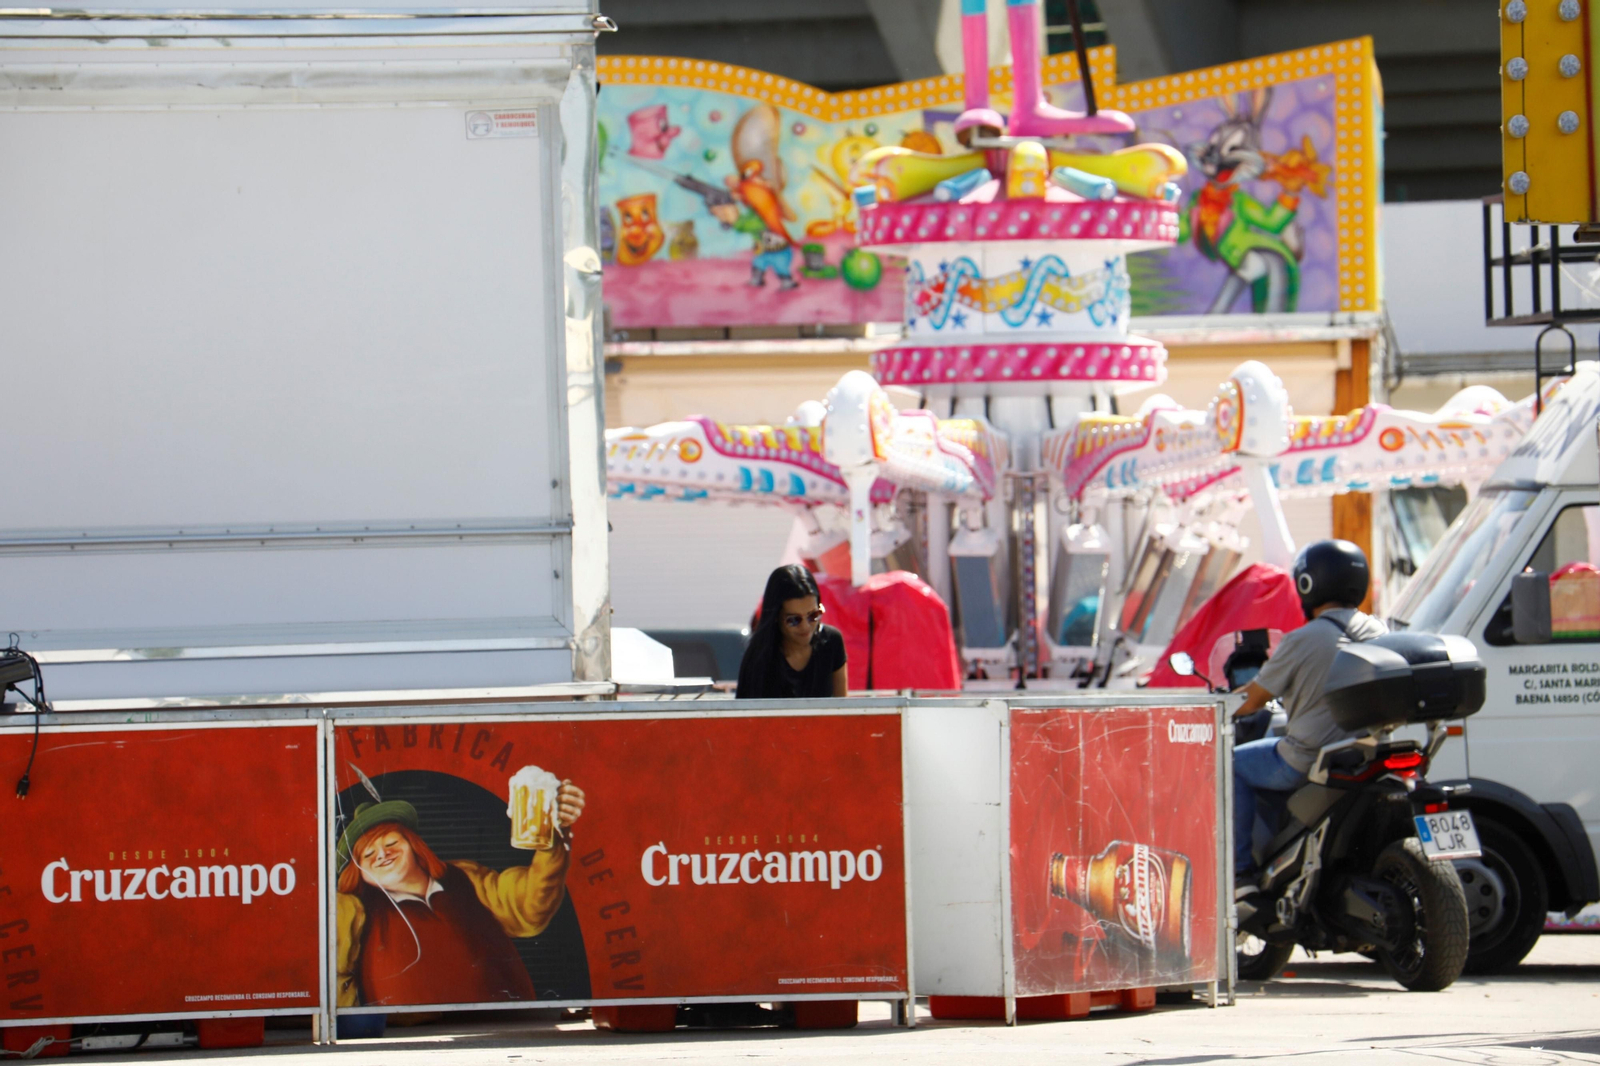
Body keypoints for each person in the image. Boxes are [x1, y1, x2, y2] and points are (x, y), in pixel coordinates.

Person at [334, 777, 585, 1006]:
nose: (382, 854)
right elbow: (335, 981)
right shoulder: (354, 911)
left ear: (414, 845)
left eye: (391, 843)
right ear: (359, 872)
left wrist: (552, 833)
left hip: (507, 1026)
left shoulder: (465, 878)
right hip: (409, 1038)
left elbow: (529, 906)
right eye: (367, 854)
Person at [1229, 540, 1386, 891]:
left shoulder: (1302, 639)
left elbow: (1253, 701)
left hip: (1306, 760)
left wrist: (1220, 705)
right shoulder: (1381, 632)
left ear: (1307, 584)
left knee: (1230, 764)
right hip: (1364, 755)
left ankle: (1240, 875)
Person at [735, 564, 848, 698]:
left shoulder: (832, 642)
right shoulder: (759, 656)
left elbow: (842, 710)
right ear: (775, 617)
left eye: (813, 615)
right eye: (794, 620)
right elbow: (747, 716)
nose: (806, 626)